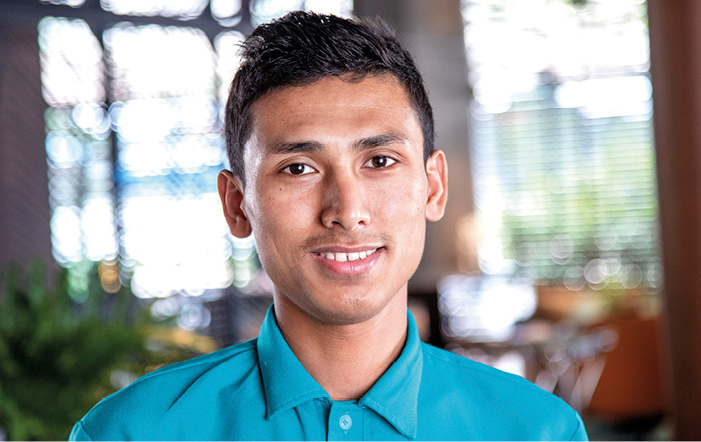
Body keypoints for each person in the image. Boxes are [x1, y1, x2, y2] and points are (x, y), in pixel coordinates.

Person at [70, 11, 588, 441]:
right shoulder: (130, 433)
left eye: (380, 161)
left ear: (433, 187)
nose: (346, 209)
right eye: (299, 169)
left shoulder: (538, 430)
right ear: (237, 205)